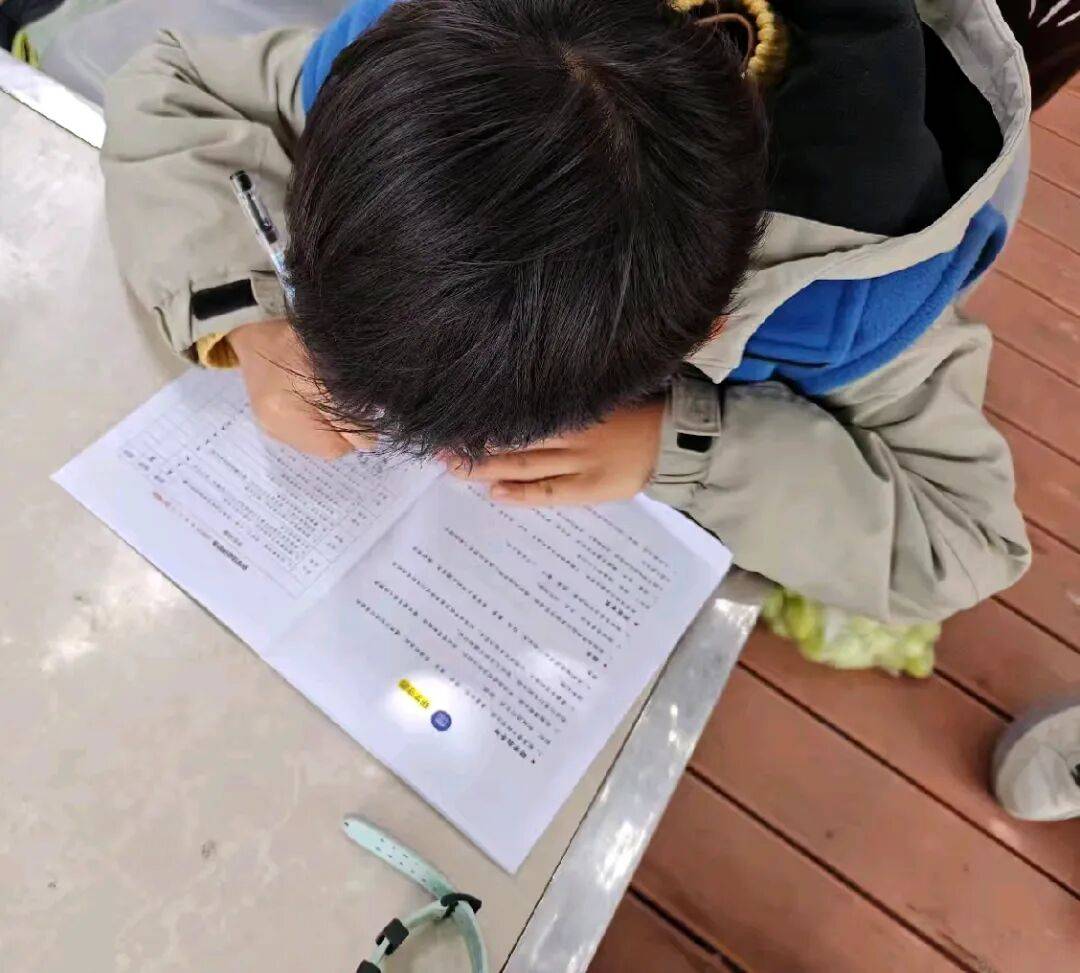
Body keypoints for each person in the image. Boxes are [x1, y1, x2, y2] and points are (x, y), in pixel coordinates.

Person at [99, 0, 1032, 637]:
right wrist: (250, 319)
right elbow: (168, 84)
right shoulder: (403, 56)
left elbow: (965, 539)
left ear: (710, 332)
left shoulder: (843, 302)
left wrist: (677, 445)